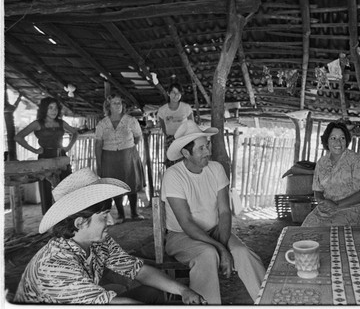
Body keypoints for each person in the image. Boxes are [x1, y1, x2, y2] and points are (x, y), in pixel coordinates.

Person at [13, 168, 205, 304]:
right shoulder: (55, 266)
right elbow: (113, 303)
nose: (112, 222)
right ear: (80, 223)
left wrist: (183, 290)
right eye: (104, 216)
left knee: (152, 293)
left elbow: (139, 271)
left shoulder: (96, 242)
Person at [161, 120, 265, 304]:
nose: (208, 152)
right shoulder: (173, 175)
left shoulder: (216, 169)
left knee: (242, 252)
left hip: (216, 232)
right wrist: (220, 249)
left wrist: (223, 246)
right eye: (201, 148)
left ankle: (269, 301)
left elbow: (225, 212)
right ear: (186, 152)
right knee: (208, 254)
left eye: (207, 145)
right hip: (182, 236)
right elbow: (186, 223)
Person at [14, 97, 79, 214]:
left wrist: (68, 147)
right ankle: (48, 220)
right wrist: (34, 150)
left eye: (56, 108)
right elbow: (18, 137)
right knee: (46, 190)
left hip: (61, 157)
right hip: (45, 158)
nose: (54, 111)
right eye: (50, 108)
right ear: (44, 109)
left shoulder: (61, 123)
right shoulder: (38, 123)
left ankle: (66, 216)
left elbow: (75, 133)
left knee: (66, 187)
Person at [301, 121, 360, 227]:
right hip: (326, 210)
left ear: (347, 140)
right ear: (327, 141)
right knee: (305, 230)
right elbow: (317, 190)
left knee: (330, 232)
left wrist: (337, 205)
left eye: (342, 138)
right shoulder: (322, 162)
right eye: (333, 138)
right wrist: (322, 201)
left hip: (350, 210)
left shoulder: (355, 160)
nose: (338, 142)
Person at [95, 94, 145, 224]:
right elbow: (98, 144)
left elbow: (138, 136)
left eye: (119, 103)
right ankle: (121, 215)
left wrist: (127, 147)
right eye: (114, 103)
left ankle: (134, 213)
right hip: (109, 158)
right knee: (114, 185)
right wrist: (99, 165)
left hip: (128, 156)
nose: (118, 105)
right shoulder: (102, 124)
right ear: (108, 106)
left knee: (131, 182)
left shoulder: (130, 120)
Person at [157, 83, 194, 167]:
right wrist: (170, 137)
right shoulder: (162, 110)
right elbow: (163, 127)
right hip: (170, 140)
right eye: (173, 92)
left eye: (178, 93)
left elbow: (192, 125)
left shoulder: (186, 108)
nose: (176, 95)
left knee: (184, 165)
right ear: (168, 93)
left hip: (184, 140)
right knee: (171, 165)